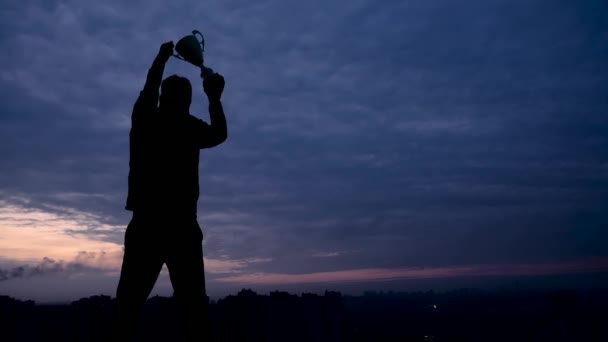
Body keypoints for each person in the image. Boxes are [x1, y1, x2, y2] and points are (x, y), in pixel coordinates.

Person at [110, 41, 227, 342]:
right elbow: (220, 134)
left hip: (147, 225)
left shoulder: (146, 119)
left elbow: (149, 87)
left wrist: (161, 58)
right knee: (195, 312)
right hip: (181, 227)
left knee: (127, 309)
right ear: (188, 102)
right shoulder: (188, 127)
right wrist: (214, 98)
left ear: (163, 98)